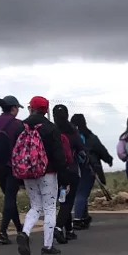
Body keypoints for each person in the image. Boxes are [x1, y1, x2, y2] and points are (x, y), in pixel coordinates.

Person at [17, 96, 66, 255]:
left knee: (35, 206)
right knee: (50, 208)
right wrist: (63, 179)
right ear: (46, 110)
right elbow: (59, 155)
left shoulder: (21, 126)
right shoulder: (50, 128)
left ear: (31, 107)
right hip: (48, 173)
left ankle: (25, 232)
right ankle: (47, 246)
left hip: (28, 172)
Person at [0, 96, 25, 245]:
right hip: (13, 166)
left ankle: (19, 229)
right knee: (10, 197)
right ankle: (2, 232)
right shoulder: (17, 124)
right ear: (14, 108)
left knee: (10, 196)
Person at [70, 113, 114, 230]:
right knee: (82, 193)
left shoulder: (68, 136)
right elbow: (101, 150)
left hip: (73, 168)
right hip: (88, 168)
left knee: (79, 193)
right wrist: (109, 159)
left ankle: (84, 217)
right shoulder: (90, 137)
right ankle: (78, 219)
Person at [52, 104, 86, 244]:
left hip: (55, 172)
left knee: (62, 199)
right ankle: (59, 228)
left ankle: (69, 230)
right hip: (71, 171)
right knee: (67, 201)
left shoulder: (51, 130)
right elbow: (81, 151)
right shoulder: (73, 131)